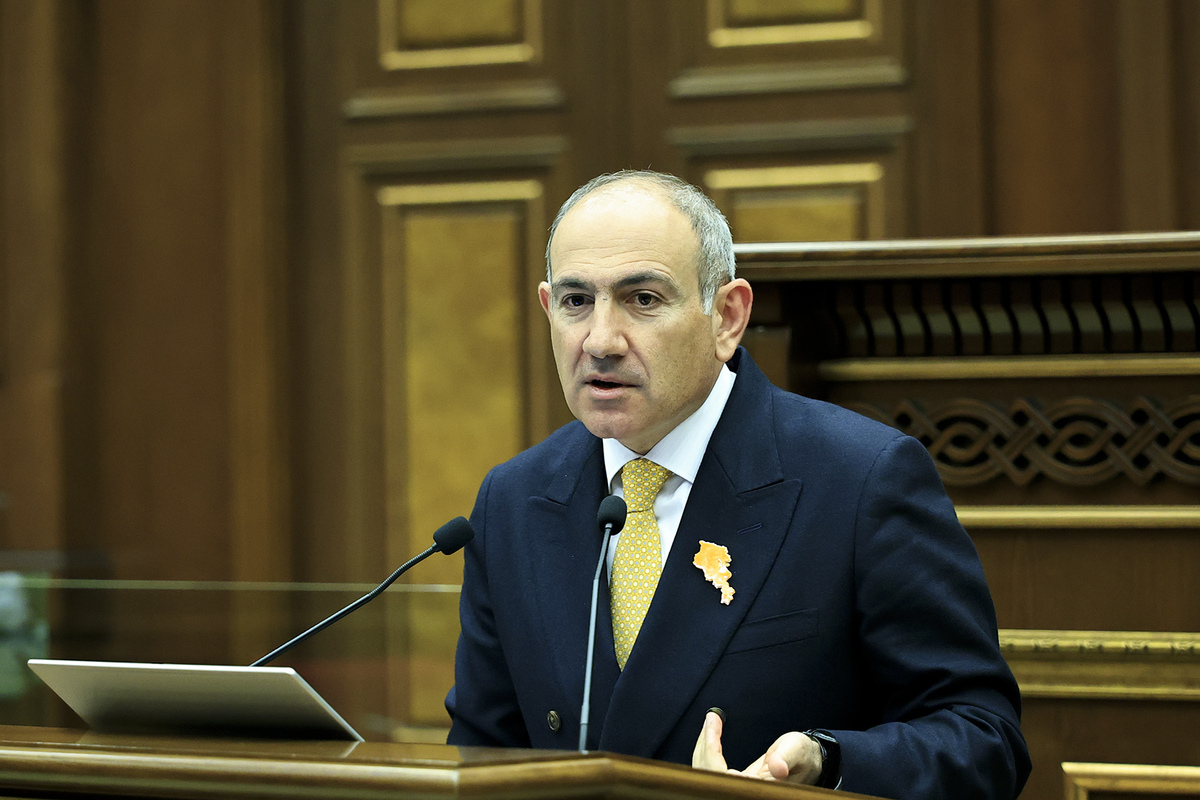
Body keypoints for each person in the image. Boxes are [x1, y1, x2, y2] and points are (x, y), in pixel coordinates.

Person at [445, 170, 1031, 800]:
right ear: (547, 309)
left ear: (727, 317)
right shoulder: (514, 500)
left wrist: (826, 763)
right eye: (575, 301)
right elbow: (481, 756)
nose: (601, 340)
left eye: (643, 299)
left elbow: (983, 739)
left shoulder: (860, 479)